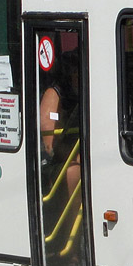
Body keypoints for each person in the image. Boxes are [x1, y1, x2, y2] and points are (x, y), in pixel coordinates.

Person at [39, 51, 81, 195]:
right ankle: (73, 218)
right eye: (75, 71)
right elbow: (51, 147)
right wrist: (81, 158)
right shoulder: (54, 94)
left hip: (80, 152)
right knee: (74, 171)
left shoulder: (84, 93)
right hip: (52, 163)